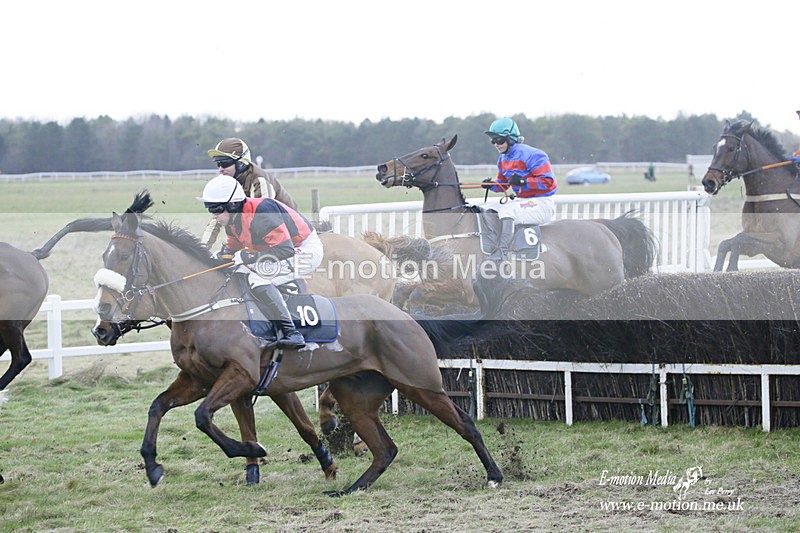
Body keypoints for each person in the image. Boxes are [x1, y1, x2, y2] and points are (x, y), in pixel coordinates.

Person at [197, 174, 323, 349]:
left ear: (233, 205)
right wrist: (218, 258)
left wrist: (249, 257)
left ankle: (292, 333)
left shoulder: (261, 214)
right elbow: (232, 251)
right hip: (281, 250)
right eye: (209, 209)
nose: (213, 216)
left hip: (303, 249)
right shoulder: (232, 221)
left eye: (216, 210)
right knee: (239, 271)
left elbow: (285, 250)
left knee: (259, 278)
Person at [481, 117, 557, 260]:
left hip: (542, 203)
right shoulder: (502, 159)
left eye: (499, 140)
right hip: (522, 202)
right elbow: (503, 184)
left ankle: (502, 253)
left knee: (507, 210)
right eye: (493, 141)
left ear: (510, 139)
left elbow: (548, 182)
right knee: (486, 208)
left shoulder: (534, 155)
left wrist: (523, 181)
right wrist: (491, 185)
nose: (496, 144)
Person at [202, 137, 299, 248]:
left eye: (224, 163)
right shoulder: (227, 182)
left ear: (241, 163)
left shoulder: (259, 180)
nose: (220, 169)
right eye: (218, 164)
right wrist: (203, 247)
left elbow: (263, 219)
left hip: (292, 237)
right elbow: (217, 216)